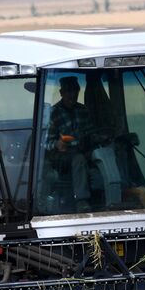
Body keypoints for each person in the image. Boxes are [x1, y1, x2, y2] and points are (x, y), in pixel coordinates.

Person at [44, 75, 99, 204]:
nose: (72, 95)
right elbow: (44, 143)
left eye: (74, 91)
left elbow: (91, 133)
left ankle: (115, 196)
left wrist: (98, 138)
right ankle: (82, 200)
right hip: (61, 155)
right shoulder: (53, 113)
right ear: (61, 93)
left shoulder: (83, 110)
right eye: (68, 91)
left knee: (105, 154)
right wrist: (57, 144)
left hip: (83, 150)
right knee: (79, 159)